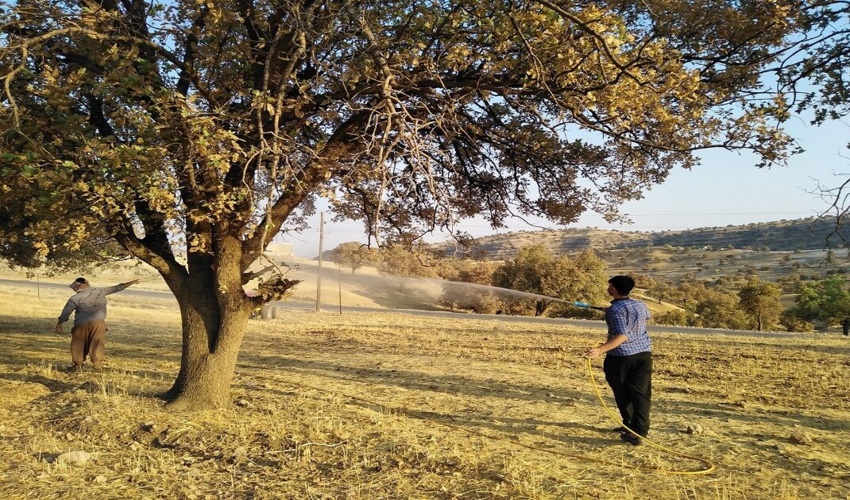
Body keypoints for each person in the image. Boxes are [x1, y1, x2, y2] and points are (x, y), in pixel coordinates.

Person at [586, 275, 652, 446]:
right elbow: (645, 318)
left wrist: (600, 350)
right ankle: (636, 429)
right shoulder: (639, 304)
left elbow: (622, 336)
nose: (608, 287)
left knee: (622, 392)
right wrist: (613, 311)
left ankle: (633, 430)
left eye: (610, 285)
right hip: (644, 355)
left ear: (614, 288)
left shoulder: (616, 310)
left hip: (622, 357)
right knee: (640, 394)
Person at [54, 277, 140, 372]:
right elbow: (118, 287)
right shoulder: (101, 291)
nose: (74, 290)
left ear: (78, 287)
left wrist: (60, 323)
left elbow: (66, 313)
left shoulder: (75, 298)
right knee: (98, 343)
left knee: (78, 344)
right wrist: (132, 282)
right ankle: (97, 366)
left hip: (81, 325)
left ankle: (78, 366)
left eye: (75, 288)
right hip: (99, 323)